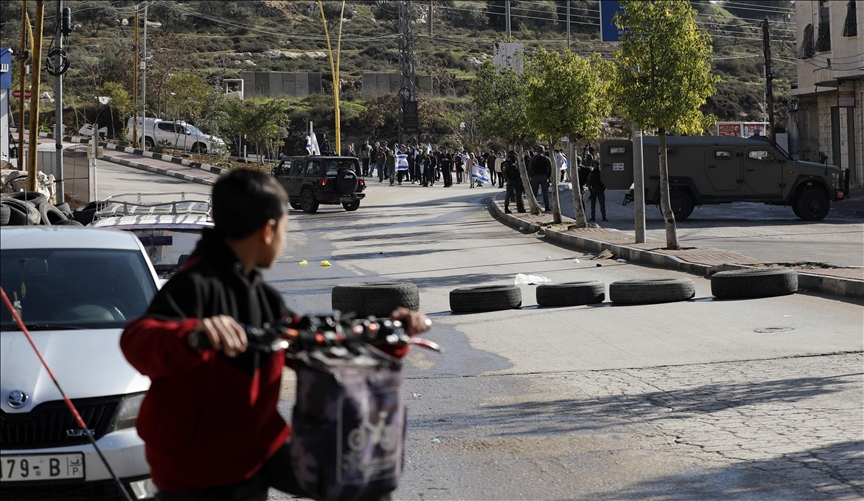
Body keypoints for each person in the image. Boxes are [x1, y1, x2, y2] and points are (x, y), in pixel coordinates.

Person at [120, 169, 429, 501]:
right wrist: (194, 334)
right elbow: (137, 341)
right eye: (285, 227)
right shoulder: (193, 285)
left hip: (256, 447)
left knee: (352, 478)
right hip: (196, 469)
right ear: (269, 231)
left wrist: (387, 337)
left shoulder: (264, 297)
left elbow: (313, 346)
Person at [529, 145, 552, 212]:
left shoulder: (533, 159)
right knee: (545, 193)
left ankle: (534, 207)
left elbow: (530, 169)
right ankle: (547, 206)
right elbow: (550, 169)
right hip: (544, 176)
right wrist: (548, 177)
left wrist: (532, 176)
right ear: (543, 151)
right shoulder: (547, 159)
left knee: (534, 193)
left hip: (536, 176)